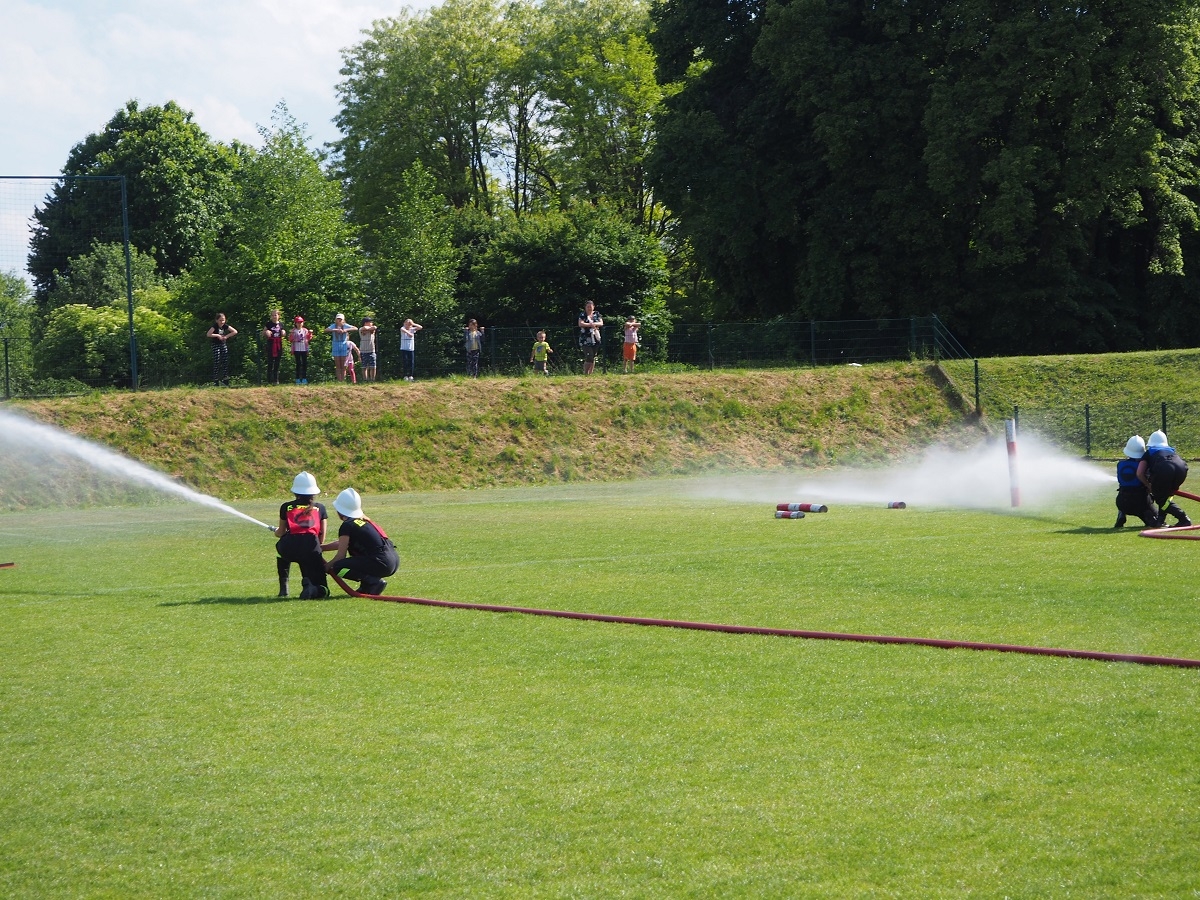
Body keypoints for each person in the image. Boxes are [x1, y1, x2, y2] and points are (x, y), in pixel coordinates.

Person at [323, 488, 399, 596]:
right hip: (392, 561)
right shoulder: (364, 521)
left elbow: (340, 556)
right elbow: (343, 544)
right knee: (357, 560)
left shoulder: (347, 525)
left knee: (338, 567)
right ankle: (367, 586)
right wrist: (322, 548)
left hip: (381, 563)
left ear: (339, 510)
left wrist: (326, 567)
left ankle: (372, 582)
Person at [274, 471, 329, 599]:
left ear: (295, 491)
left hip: (289, 548)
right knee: (323, 590)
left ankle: (284, 588)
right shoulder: (320, 508)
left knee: (281, 548)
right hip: (311, 548)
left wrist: (277, 531)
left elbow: (281, 532)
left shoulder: (286, 507)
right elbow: (321, 538)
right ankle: (310, 585)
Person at [1138, 430, 1192, 527]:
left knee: (1161, 499)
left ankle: (1183, 518)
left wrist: (1148, 485)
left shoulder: (1149, 452)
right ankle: (1160, 520)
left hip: (1164, 469)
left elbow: (1139, 473)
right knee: (1165, 496)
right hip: (1182, 469)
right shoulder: (1171, 450)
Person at [1114, 435, 1159, 529]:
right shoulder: (1143, 466)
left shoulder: (1120, 464)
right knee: (1156, 520)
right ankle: (1149, 516)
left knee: (1126, 493)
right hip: (1141, 503)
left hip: (1121, 502)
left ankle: (1122, 513)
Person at [207, 313, 237, 387]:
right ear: (217, 320)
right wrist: (217, 335)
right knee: (217, 360)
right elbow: (208, 334)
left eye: (223, 320)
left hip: (223, 344)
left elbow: (234, 331)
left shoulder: (225, 326)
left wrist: (226, 336)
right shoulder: (215, 326)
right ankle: (215, 379)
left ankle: (225, 379)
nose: (222, 322)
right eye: (220, 320)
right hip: (215, 345)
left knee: (225, 360)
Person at [326, 313, 357, 382]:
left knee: (343, 365)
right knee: (338, 365)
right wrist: (335, 330)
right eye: (338, 319)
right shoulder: (333, 326)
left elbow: (355, 328)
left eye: (341, 319)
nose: (339, 320)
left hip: (343, 345)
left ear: (343, 319)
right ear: (336, 319)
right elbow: (326, 330)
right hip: (335, 345)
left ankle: (343, 380)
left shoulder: (345, 325)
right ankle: (339, 380)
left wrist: (346, 330)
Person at [578, 301, 603, 375]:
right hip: (585, 339)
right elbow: (580, 323)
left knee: (593, 356)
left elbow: (601, 323)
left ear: (593, 307)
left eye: (590, 306)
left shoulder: (597, 314)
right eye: (588, 307)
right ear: (585, 307)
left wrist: (593, 324)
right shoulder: (583, 314)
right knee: (589, 356)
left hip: (595, 338)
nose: (589, 308)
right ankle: (586, 373)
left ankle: (591, 373)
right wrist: (590, 325)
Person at [262, 308, 285, 385]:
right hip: (271, 344)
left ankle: (276, 380)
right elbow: (263, 333)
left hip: (278, 344)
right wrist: (266, 332)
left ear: (279, 316)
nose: (274, 316)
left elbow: (283, 333)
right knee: (270, 362)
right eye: (273, 315)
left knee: (277, 362)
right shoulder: (268, 324)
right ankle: (269, 380)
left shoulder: (281, 324)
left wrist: (283, 332)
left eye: (275, 315)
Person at [290, 316, 312, 384]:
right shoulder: (293, 331)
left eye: (301, 322)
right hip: (296, 349)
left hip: (304, 349)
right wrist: (294, 338)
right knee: (298, 364)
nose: (299, 324)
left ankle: (304, 378)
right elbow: (290, 339)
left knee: (304, 363)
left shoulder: (305, 330)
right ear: (295, 323)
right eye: (298, 322)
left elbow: (309, 338)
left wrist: (310, 333)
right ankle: (297, 379)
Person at [359, 316, 379, 382]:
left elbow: (375, 327)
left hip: (371, 350)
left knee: (373, 366)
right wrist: (370, 328)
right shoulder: (361, 329)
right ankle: (365, 380)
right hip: (363, 351)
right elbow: (364, 328)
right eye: (370, 322)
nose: (371, 323)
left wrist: (371, 328)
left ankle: (372, 380)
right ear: (365, 323)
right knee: (364, 366)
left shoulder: (372, 329)